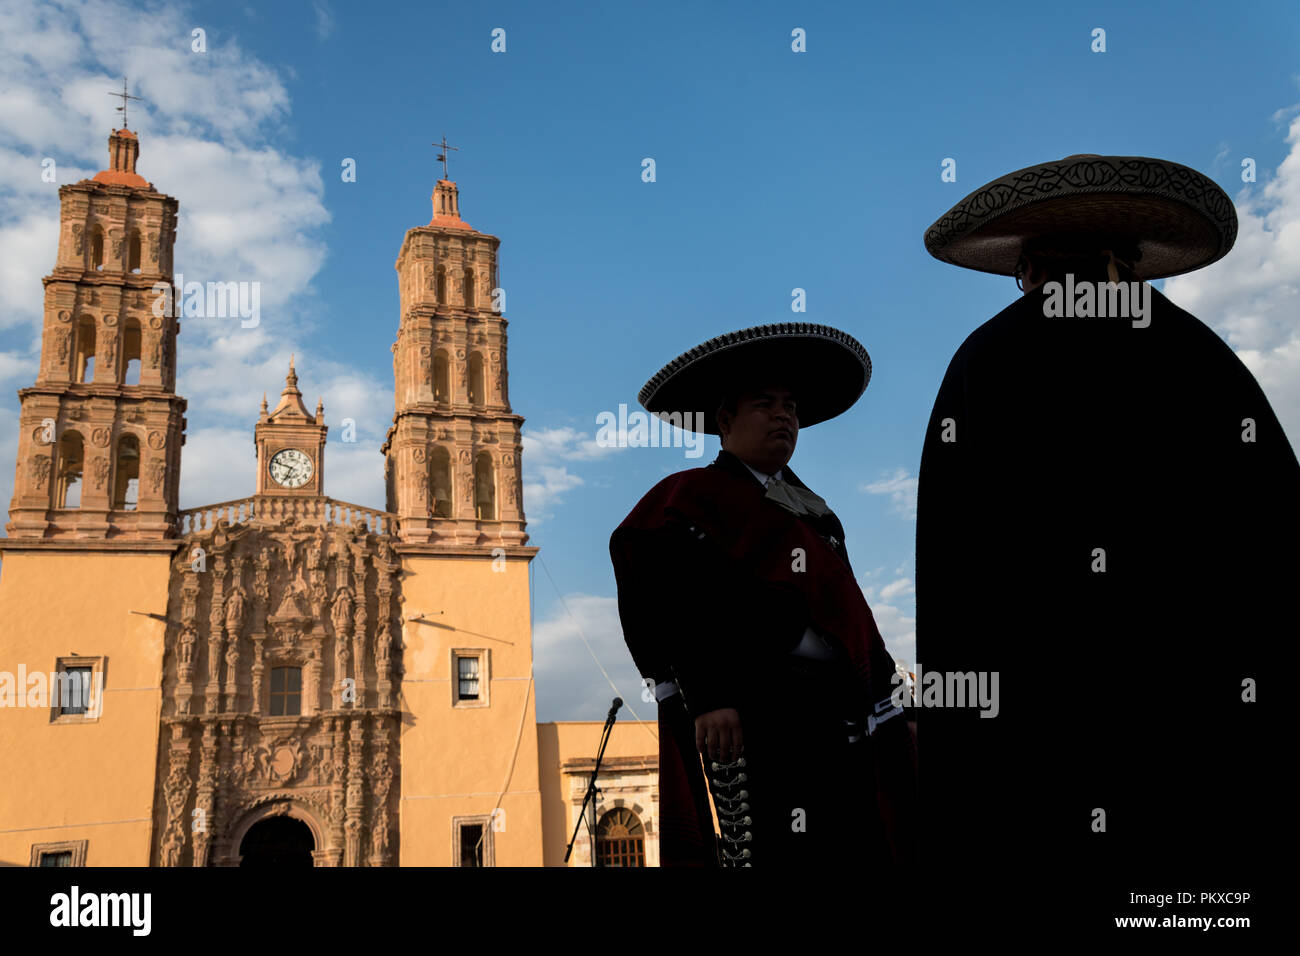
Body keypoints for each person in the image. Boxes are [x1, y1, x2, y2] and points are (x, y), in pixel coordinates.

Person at [917, 154, 1297, 907]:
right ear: (1125, 261)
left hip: (1040, 749)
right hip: (1205, 744)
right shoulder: (1202, 356)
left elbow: (954, 583)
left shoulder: (983, 361)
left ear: (1030, 266)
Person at [609, 323, 917, 869]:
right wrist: (709, 695)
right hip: (758, 718)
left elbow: (855, 621)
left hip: (839, 720)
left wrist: (893, 705)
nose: (784, 417)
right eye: (765, 404)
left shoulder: (815, 513)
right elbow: (670, 601)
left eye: (792, 407)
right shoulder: (690, 500)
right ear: (725, 422)